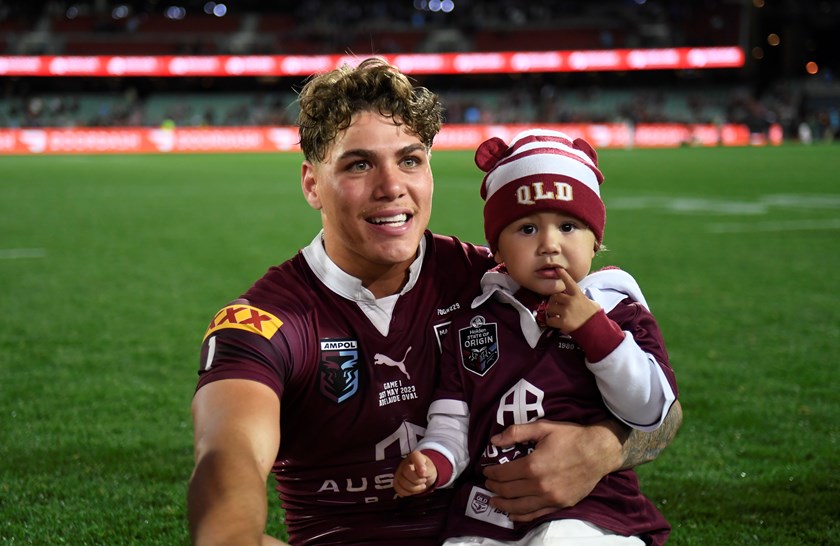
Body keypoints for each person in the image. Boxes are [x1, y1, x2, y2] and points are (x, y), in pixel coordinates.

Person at [187, 58, 683, 546]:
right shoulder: (265, 322)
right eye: (359, 164)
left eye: (410, 160)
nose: (392, 188)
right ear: (312, 184)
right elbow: (227, 458)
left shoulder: (494, 284)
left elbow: (664, 411)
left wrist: (601, 450)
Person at [393, 129, 678, 545]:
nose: (549, 244)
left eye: (568, 226)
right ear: (497, 249)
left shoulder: (618, 310)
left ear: (595, 242)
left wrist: (595, 332)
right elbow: (453, 421)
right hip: (487, 511)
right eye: (527, 229)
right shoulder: (472, 322)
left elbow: (651, 407)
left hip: (590, 509)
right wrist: (434, 461)